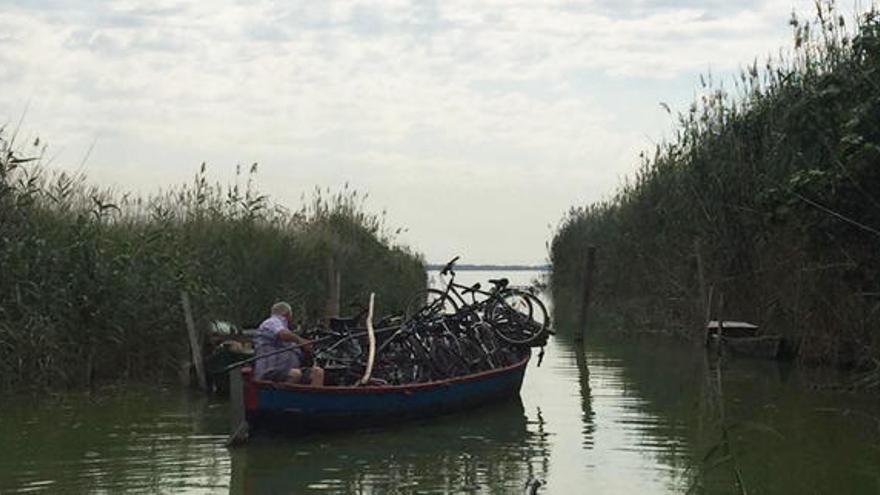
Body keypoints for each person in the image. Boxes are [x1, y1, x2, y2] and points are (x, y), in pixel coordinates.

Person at [253, 301, 324, 386]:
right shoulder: (272, 321)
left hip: (289, 371)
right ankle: (282, 398)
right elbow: (282, 334)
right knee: (295, 374)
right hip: (270, 371)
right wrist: (301, 341)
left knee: (317, 372)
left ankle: (312, 398)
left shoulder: (290, 335)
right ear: (288, 314)